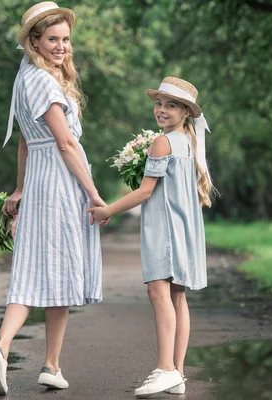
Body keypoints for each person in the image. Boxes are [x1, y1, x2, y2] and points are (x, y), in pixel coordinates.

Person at [0, 2, 107, 395]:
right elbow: (66, 143)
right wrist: (93, 193)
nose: (61, 47)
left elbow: (24, 140)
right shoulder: (42, 81)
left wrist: (20, 188)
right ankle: (20, 354)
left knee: (39, 270)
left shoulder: (26, 78)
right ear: (34, 41)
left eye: (66, 40)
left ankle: (33, 359)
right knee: (57, 267)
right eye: (52, 39)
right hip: (59, 181)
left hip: (38, 179)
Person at [88, 77, 214, 397]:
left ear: (186, 112)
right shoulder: (186, 140)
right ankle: (178, 373)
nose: (161, 110)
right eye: (159, 103)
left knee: (158, 293)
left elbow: (146, 191)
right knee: (177, 297)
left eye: (171, 105)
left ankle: (165, 368)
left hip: (165, 228)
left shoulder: (162, 142)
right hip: (184, 228)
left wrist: (108, 210)